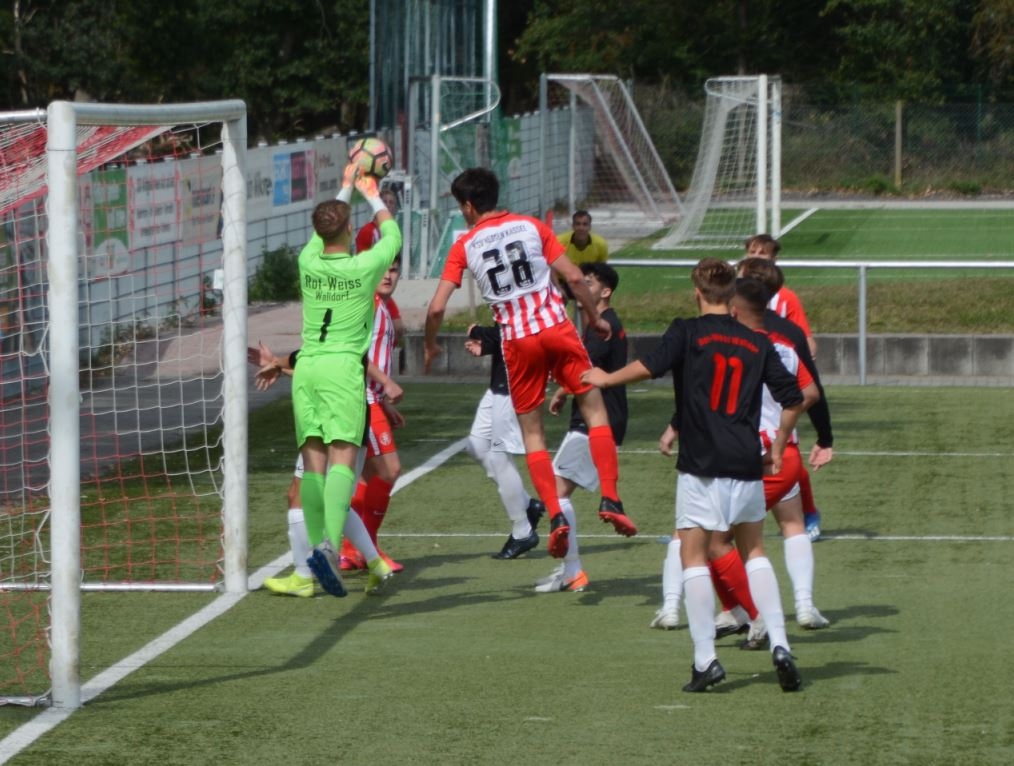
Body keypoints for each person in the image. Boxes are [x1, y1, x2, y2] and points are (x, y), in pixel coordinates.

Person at [582, 258, 806, 693]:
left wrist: (606, 379)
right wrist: (776, 446)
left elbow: (649, 365)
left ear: (698, 293)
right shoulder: (757, 342)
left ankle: (706, 659)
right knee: (755, 550)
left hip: (702, 463)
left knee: (693, 555)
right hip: (745, 460)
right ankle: (780, 642)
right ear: (731, 296)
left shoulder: (687, 330)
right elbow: (794, 397)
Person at [424, 167, 634, 565]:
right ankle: (611, 495)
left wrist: (432, 346)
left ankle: (554, 515)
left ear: (468, 206)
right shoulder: (531, 225)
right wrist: (594, 318)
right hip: (556, 329)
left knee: (533, 436)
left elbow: (436, 307)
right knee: (595, 412)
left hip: (517, 343)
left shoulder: (465, 245)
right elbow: (573, 276)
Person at [291, 164, 401, 598]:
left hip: (307, 371)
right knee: (342, 461)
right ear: (351, 229)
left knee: (313, 464)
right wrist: (371, 193)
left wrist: (343, 188)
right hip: (340, 371)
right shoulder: (363, 269)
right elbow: (393, 237)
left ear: (318, 232)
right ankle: (329, 547)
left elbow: (328, 225)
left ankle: (322, 548)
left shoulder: (307, 260)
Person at [248, 341, 397, 598]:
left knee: (301, 495)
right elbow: (318, 363)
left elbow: (314, 360)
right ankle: (375, 563)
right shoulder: (345, 336)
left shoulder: (334, 330)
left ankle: (303, 575)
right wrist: (279, 365)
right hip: (348, 418)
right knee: (333, 501)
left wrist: (276, 363)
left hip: (330, 421)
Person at [536, 261, 628, 593]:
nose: (581, 287)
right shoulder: (597, 324)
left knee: (557, 493)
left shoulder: (606, 325)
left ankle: (573, 570)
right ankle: (569, 568)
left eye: (588, 282)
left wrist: (559, 388)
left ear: (605, 292)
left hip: (596, 422)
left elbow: (586, 368)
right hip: (594, 419)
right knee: (559, 492)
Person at [739, 253, 831, 541]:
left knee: (714, 534)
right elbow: (812, 390)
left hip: (737, 442)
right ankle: (803, 588)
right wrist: (825, 437)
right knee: (791, 523)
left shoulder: (730, 332)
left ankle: (677, 570)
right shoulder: (789, 334)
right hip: (780, 442)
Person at [338, 256, 407, 573]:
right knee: (389, 470)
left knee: (366, 478)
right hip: (360, 398)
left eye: (394, 270)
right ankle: (369, 549)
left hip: (370, 398)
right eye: (384, 270)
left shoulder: (380, 304)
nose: (389, 275)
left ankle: (351, 549)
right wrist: (385, 383)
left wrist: (384, 400)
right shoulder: (367, 303)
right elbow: (354, 353)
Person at [463, 323, 546, 559]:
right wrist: (487, 345)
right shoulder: (510, 300)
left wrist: (478, 330)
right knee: (477, 445)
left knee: (499, 456)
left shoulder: (533, 298)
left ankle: (522, 531)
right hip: (499, 385)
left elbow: (519, 330)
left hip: (515, 387)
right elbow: (506, 334)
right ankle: (527, 503)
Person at [555, 210, 609, 328]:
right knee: (556, 301)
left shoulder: (600, 244)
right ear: (573, 226)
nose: (581, 228)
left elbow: (602, 270)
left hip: (585, 282)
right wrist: (559, 289)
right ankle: (559, 333)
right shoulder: (560, 242)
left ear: (590, 227)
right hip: (562, 281)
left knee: (587, 302)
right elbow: (550, 268)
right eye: (578, 224)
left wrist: (596, 291)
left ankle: (588, 336)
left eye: (585, 224)